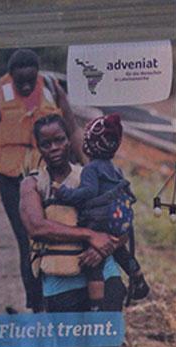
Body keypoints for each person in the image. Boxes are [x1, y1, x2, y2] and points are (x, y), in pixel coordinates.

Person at [18, 115, 129, 347]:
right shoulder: (31, 184)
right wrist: (88, 235)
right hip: (59, 286)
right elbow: (37, 226)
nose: (54, 148)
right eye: (46, 143)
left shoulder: (91, 174)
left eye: (59, 140)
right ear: (38, 147)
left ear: (70, 140)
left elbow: (121, 220)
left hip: (103, 279)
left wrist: (105, 246)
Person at [0, 48, 78, 312]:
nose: (26, 85)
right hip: (10, 178)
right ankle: (36, 303)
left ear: (37, 74)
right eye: (20, 81)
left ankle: (55, 299)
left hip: (45, 175)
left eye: (31, 79)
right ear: (11, 76)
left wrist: (86, 163)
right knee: (26, 239)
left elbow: (71, 129)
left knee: (51, 236)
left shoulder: (52, 89)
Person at [44, 113, 150, 306]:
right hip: (118, 218)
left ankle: (95, 306)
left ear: (89, 144)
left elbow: (87, 192)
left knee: (94, 265)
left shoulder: (91, 169)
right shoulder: (115, 169)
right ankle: (137, 277)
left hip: (100, 220)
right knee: (120, 252)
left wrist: (63, 192)